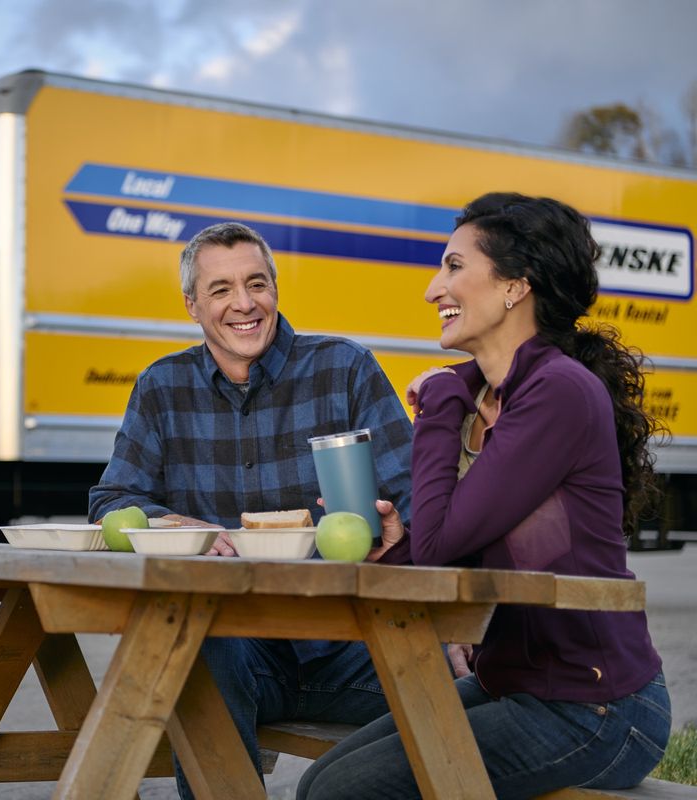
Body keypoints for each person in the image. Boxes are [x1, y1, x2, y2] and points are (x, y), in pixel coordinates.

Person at [297, 193, 672, 800]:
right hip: (515, 682)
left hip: (595, 708)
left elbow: (444, 548)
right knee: (319, 781)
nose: (431, 290)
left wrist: (442, 399)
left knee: (341, 792)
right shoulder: (486, 398)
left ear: (514, 287)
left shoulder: (557, 393)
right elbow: (467, 551)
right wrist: (394, 548)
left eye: (453, 267)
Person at [89, 221, 414, 799]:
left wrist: (396, 521)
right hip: (237, 658)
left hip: (354, 652)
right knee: (196, 647)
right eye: (220, 290)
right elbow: (112, 501)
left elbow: (416, 496)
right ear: (192, 305)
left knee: (471, 702)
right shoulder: (162, 388)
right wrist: (173, 525)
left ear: (275, 290)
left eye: (256, 284)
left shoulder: (345, 369)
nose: (244, 304)